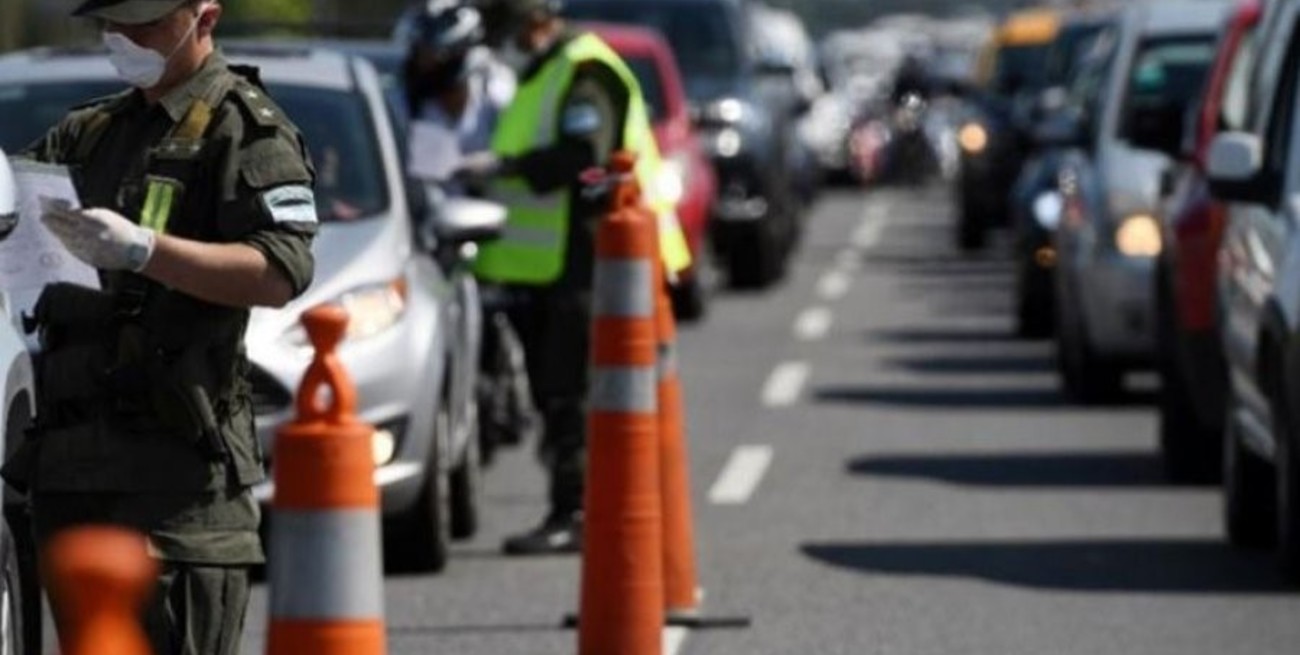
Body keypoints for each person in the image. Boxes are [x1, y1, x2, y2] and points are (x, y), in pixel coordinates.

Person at [0, 1, 317, 653]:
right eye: (111, 26)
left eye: (142, 25)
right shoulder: (92, 131)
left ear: (205, 18)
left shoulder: (242, 127)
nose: (122, 40)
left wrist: (146, 249)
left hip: (175, 490)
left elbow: (279, 271)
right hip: (71, 475)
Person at [455, 0, 675, 556]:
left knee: (570, 394)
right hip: (552, 265)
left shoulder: (584, 70)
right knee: (560, 393)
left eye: (503, 25)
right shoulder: (545, 72)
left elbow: (587, 160)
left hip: (588, 259)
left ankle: (574, 511)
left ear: (534, 19)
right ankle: (577, 507)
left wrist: (508, 168)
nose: (499, 39)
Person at [400, 0, 539, 462]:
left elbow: (519, 149)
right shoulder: (402, 92)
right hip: (426, 225)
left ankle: (505, 389)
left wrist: (492, 167)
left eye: (432, 56)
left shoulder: (498, 91)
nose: (424, 65)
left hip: (494, 224)